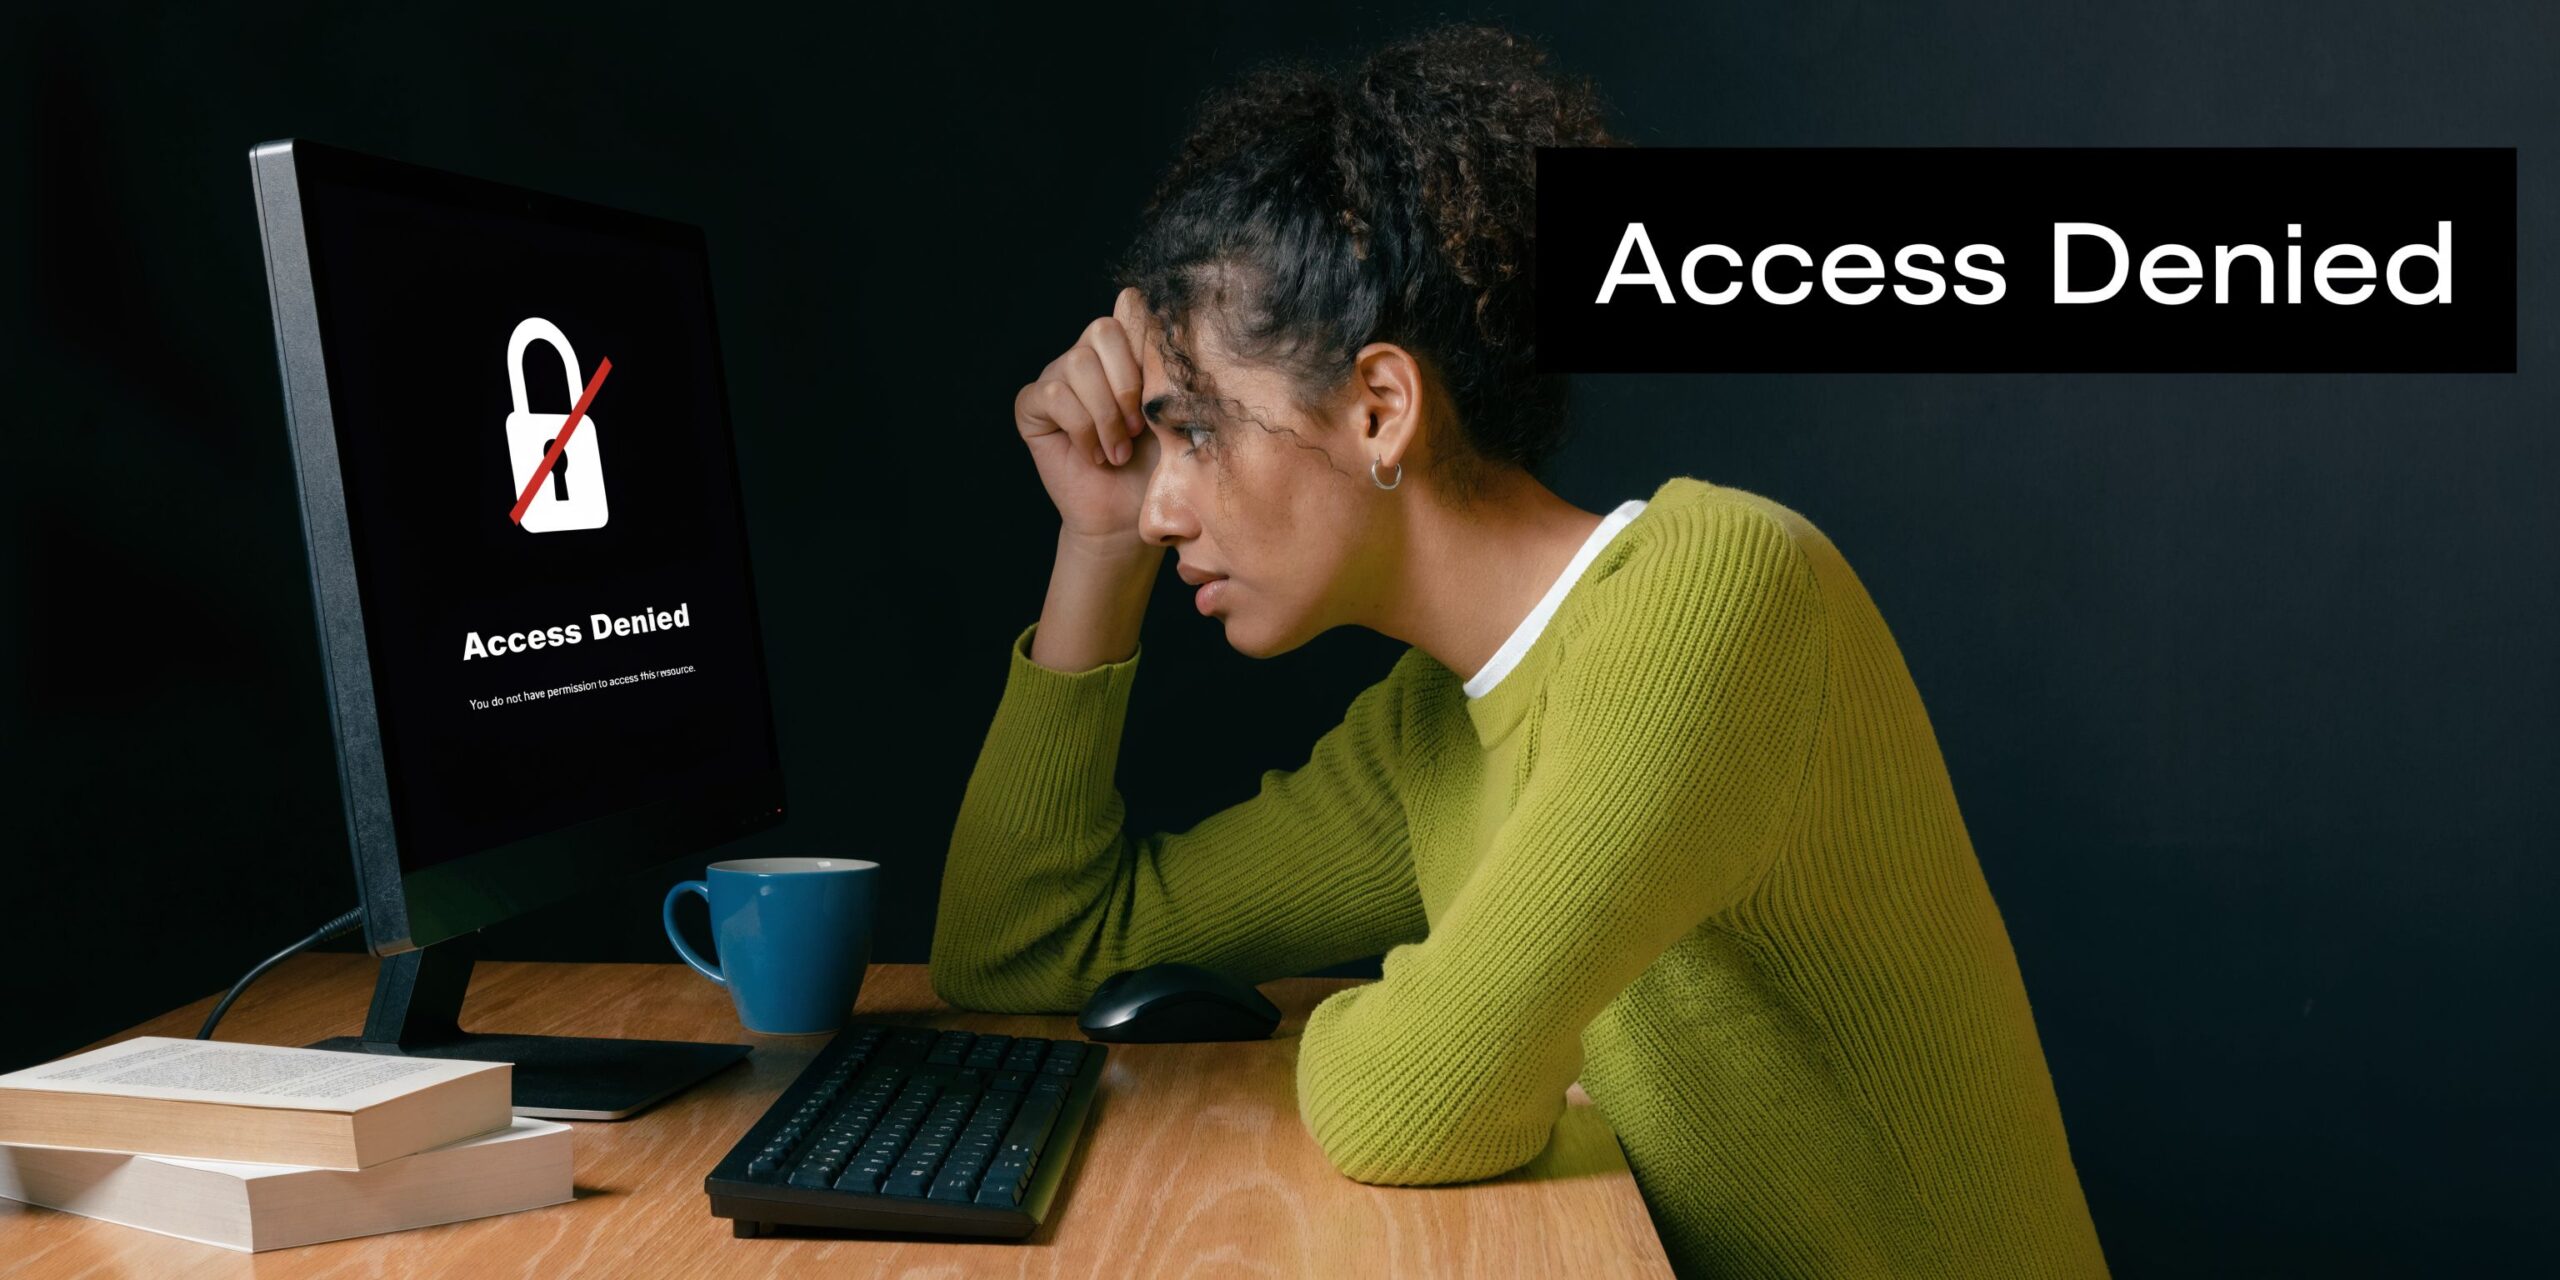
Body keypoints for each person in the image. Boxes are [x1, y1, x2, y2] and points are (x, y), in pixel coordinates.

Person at [931, 22, 2109, 1279]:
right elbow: (1017, 946)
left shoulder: (1720, 595)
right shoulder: (1426, 732)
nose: (1165, 505)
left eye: (1196, 433)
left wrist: (1389, 1028)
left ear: (1380, 408)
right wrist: (1097, 543)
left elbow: (1410, 1105)